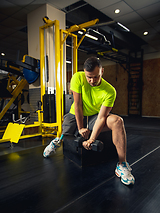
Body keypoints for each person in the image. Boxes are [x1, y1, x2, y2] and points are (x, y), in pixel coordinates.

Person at [43, 57, 135, 186]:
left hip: (94, 117)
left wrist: (91, 139)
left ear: (102, 71)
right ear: (84, 73)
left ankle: (122, 164)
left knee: (118, 121)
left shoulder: (110, 91)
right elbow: (78, 104)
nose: (92, 81)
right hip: (75, 114)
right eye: (89, 77)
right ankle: (57, 141)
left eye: (96, 77)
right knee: (67, 131)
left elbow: (102, 117)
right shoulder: (77, 77)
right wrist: (80, 128)